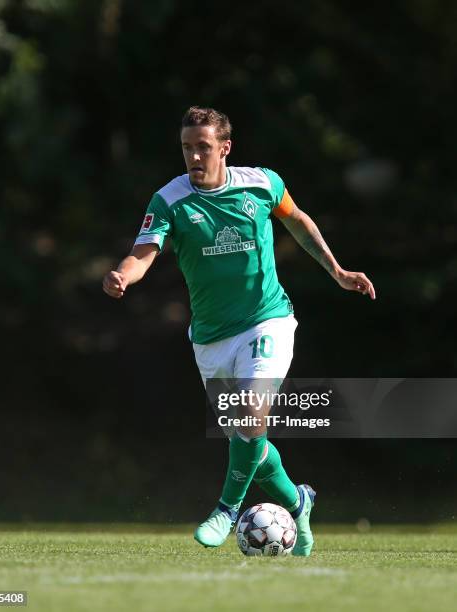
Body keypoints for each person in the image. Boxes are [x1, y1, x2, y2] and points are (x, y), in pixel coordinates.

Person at [103, 106, 376, 556]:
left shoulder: (262, 183)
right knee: (250, 441)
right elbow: (144, 251)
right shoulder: (170, 200)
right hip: (211, 338)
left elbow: (297, 220)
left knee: (251, 412)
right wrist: (122, 276)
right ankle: (298, 502)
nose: (194, 155)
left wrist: (337, 270)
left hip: (267, 319)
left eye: (203, 147)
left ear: (224, 148)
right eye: (187, 147)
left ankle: (226, 511)